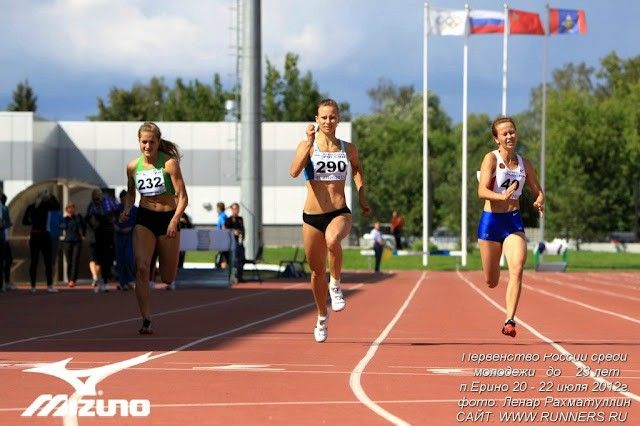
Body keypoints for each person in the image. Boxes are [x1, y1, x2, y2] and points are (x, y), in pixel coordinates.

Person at [289, 98, 371, 343]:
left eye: (332, 117)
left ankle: (336, 284)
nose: (328, 121)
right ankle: (322, 316)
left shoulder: (348, 148)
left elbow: (357, 169)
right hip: (312, 217)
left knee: (333, 239)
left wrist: (362, 195)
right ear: (317, 119)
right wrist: (308, 143)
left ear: (339, 119)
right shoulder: (307, 146)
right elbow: (294, 171)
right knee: (316, 273)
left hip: (339, 212)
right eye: (323, 117)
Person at [477, 116, 544, 338]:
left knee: (517, 267)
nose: (509, 136)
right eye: (504, 133)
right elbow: (481, 191)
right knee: (491, 281)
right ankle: (493, 276)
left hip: (513, 221)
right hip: (491, 222)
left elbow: (538, 191)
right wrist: (500, 196)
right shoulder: (491, 159)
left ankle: (509, 320)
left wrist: (539, 200)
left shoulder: (525, 164)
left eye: (512, 132)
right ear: (496, 139)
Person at [120, 121, 188, 334]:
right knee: (141, 268)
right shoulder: (133, 167)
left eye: (151, 142)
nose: (147, 146)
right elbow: (131, 193)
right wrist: (127, 208)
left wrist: (175, 220)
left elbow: (183, 197)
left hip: (167, 218)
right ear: (139, 142)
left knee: (167, 278)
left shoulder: (169, 164)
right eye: (144, 142)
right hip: (145, 218)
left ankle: (161, 261)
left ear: (158, 142)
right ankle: (146, 320)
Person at [22, 189, 61, 293]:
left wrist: (32, 222)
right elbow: (57, 206)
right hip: (44, 235)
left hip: (34, 234)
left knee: (34, 261)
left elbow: (24, 221)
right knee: (48, 261)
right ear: (45, 197)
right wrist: (51, 196)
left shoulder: (31, 207)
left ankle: (33, 286)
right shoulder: (46, 205)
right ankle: (49, 286)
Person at [86, 188, 118, 293]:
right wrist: (93, 224)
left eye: (98, 199)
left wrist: (114, 222)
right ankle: (101, 281)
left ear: (101, 196)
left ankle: (105, 279)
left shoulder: (109, 201)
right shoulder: (92, 205)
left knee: (108, 257)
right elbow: (88, 218)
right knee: (99, 258)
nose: (96, 201)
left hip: (109, 231)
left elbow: (117, 211)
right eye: (94, 199)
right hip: (98, 233)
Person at [114, 190, 137, 291]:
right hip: (119, 237)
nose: (124, 201)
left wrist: (131, 228)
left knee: (129, 258)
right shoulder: (117, 208)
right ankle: (122, 282)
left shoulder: (135, 209)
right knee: (120, 259)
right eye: (122, 199)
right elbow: (112, 220)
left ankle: (130, 280)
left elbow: (138, 223)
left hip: (130, 237)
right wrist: (116, 227)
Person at [59, 203, 85, 288]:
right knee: (69, 261)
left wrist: (83, 235)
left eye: (72, 208)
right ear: (66, 210)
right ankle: (69, 279)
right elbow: (61, 227)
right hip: (67, 241)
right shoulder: (65, 219)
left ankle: (72, 280)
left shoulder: (78, 217)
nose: (71, 210)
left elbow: (84, 225)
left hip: (77, 241)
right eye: (69, 209)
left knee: (75, 260)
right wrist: (66, 218)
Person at [224, 202, 245, 282]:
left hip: (240, 241)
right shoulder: (228, 220)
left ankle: (240, 276)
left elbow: (242, 229)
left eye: (238, 209)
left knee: (241, 259)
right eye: (235, 209)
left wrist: (241, 234)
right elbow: (225, 230)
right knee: (235, 259)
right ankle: (234, 276)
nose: (237, 211)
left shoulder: (240, 219)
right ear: (232, 210)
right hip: (233, 242)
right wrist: (233, 232)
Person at [0, 193, 14, 291]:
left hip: (4, 238)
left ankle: (6, 283)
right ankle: (4, 284)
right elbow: (6, 223)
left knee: (7, 260)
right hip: (3, 238)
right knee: (4, 261)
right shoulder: (4, 208)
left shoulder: (4, 208)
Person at [215, 202, 229, 269]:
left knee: (222, 256)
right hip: (224, 239)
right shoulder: (224, 215)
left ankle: (223, 271)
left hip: (222, 239)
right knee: (223, 256)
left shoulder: (222, 216)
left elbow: (223, 227)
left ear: (218, 208)